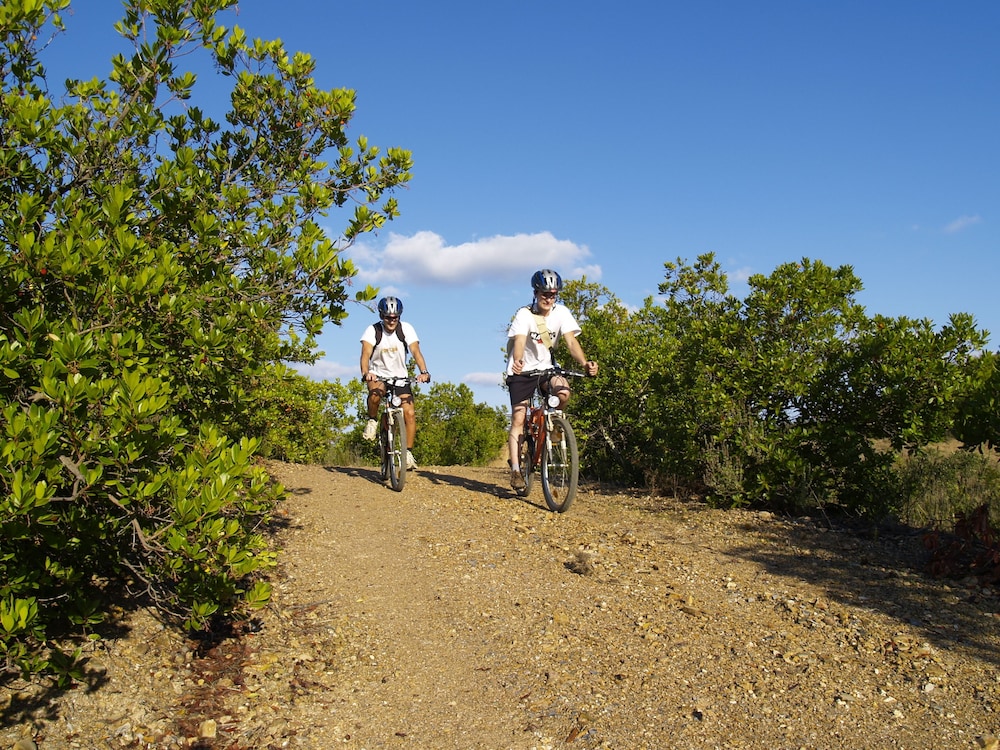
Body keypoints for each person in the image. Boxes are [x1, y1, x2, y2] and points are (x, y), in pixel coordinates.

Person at [505, 269, 598, 490]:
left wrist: (585, 364)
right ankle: (516, 470)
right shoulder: (524, 315)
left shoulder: (562, 313)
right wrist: (517, 360)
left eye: (553, 294)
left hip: (547, 369)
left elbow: (572, 343)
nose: (548, 298)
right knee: (519, 418)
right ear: (536, 293)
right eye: (544, 294)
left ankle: (554, 427)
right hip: (522, 372)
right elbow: (519, 341)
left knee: (563, 392)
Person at [360, 296, 431, 470]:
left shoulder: (406, 329)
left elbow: (415, 351)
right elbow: (365, 355)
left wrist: (423, 372)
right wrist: (366, 372)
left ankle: (407, 453)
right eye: (388, 317)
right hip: (378, 375)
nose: (391, 321)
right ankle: (372, 421)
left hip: (400, 376)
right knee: (375, 396)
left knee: (410, 413)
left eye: (395, 317)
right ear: (381, 315)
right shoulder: (372, 330)